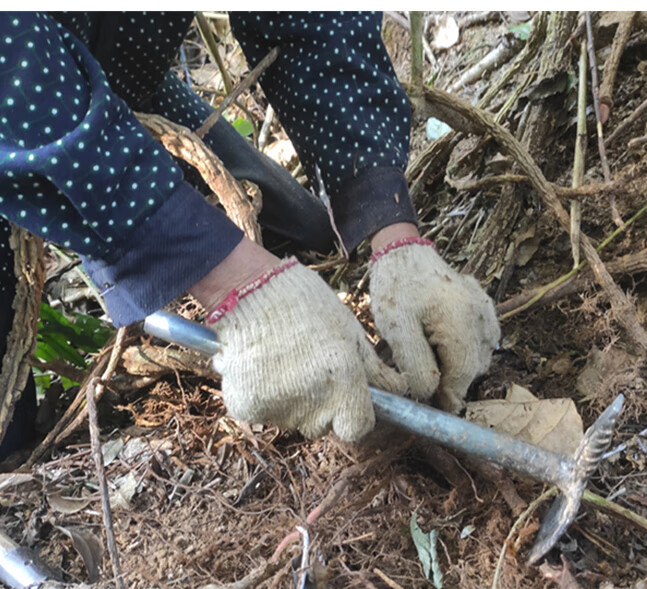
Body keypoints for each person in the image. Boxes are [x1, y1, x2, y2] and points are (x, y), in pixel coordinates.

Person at [0, 11, 500, 451]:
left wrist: (392, 227)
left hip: (123, 85)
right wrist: (233, 282)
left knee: (306, 233)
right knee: (7, 434)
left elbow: (313, 17)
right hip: (21, 103)